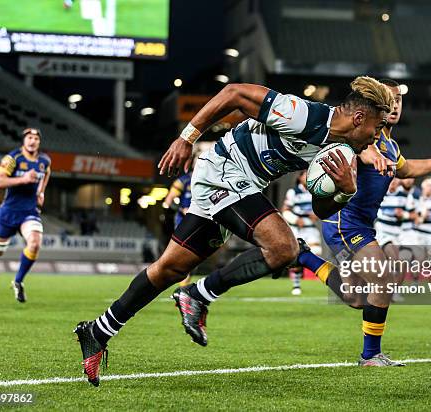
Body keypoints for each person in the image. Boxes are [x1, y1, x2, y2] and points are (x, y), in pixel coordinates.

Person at [74, 76, 395, 386]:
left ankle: (97, 331)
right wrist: (187, 137)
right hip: (224, 170)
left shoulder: (341, 152)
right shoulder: (303, 115)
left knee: (170, 268)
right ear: (358, 117)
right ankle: (198, 294)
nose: (377, 136)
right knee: (283, 247)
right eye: (377, 127)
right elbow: (234, 93)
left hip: (242, 184)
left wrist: (344, 192)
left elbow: (319, 208)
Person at [314, 79, 431, 366]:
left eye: (399, 99)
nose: (395, 104)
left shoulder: (390, 144)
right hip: (343, 222)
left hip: (362, 225)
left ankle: (305, 257)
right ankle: (370, 356)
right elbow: (360, 149)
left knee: (356, 298)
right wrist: (370, 155)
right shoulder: (364, 136)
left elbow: (408, 168)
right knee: (383, 277)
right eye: (390, 99)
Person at [0, 128, 51, 307]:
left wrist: (41, 192)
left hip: (29, 212)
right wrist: (22, 179)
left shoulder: (44, 161)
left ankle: (18, 281)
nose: (32, 141)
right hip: (8, 213)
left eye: (36, 138)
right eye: (29, 138)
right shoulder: (12, 158)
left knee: (35, 243)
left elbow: (46, 173)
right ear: (24, 141)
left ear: (39, 142)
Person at [281, 171, 321, 295]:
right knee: (297, 256)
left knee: (316, 252)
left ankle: (319, 279)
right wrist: (295, 219)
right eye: (305, 174)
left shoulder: (315, 192)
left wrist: (317, 214)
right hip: (297, 229)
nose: (308, 177)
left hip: (310, 228)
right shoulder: (293, 192)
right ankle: (296, 284)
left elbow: (321, 210)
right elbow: (285, 210)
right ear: (299, 177)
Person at [162, 169, 193, 287]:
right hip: (183, 220)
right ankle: (182, 285)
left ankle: (184, 283)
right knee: (185, 250)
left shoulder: (211, 176)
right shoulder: (184, 180)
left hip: (203, 218)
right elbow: (168, 201)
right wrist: (181, 208)